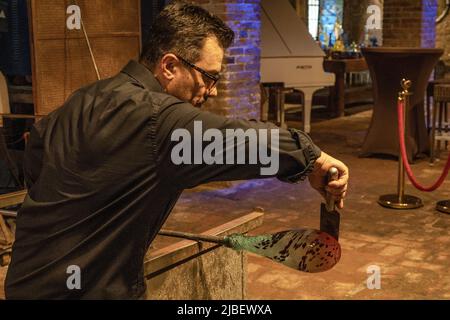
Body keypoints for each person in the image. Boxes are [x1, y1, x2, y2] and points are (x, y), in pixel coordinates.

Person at [5, 2, 349, 299]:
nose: (212, 92)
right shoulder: (158, 120)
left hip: (26, 280)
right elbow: (244, 141)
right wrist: (312, 158)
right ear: (169, 66)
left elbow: (36, 159)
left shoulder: (84, 98)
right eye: (209, 77)